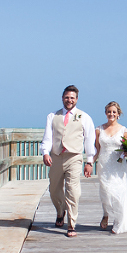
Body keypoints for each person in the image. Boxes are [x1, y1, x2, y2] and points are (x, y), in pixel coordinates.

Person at [41, 85, 96, 238]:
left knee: (73, 191)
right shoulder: (52, 116)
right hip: (57, 157)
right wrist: (45, 152)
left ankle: (72, 224)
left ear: (76, 99)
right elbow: (47, 137)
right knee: (54, 189)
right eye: (67, 97)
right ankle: (60, 211)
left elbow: (89, 140)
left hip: (74, 157)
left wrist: (89, 161)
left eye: (72, 98)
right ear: (62, 98)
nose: (69, 100)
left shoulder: (84, 117)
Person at [94, 101, 127, 234]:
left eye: (114, 112)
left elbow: (126, 149)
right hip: (104, 164)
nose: (111, 114)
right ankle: (106, 214)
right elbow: (97, 149)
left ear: (118, 114)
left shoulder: (124, 130)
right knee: (105, 191)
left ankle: (119, 220)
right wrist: (90, 163)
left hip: (118, 165)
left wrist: (126, 152)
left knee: (118, 191)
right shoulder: (99, 129)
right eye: (109, 112)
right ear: (105, 113)